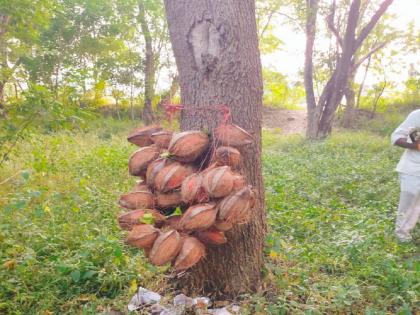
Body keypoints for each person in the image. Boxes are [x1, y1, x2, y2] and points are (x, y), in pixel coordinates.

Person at [391, 109, 420, 242]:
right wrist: (416, 145)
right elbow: (396, 137)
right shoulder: (417, 115)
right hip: (413, 168)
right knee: (409, 205)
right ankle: (401, 237)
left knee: (416, 206)